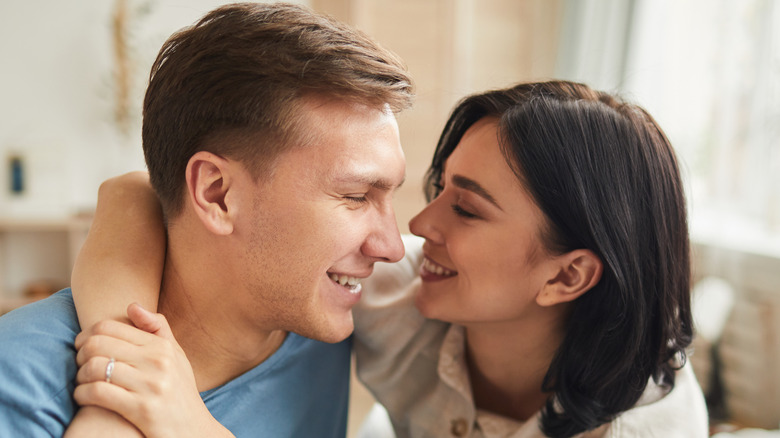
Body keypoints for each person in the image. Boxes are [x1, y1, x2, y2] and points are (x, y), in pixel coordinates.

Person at [71, 81, 709, 437]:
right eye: (440, 190)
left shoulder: (649, 428)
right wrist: (123, 361)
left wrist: (189, 426)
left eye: (468, 209)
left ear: (567, 275)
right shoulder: (398, 296)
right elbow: (133, 194)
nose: (417, 226)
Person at [0, 2, 413, 437]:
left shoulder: (333, 317)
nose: (392, 246)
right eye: (355, 196)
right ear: (216, 193)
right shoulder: (23, 380)